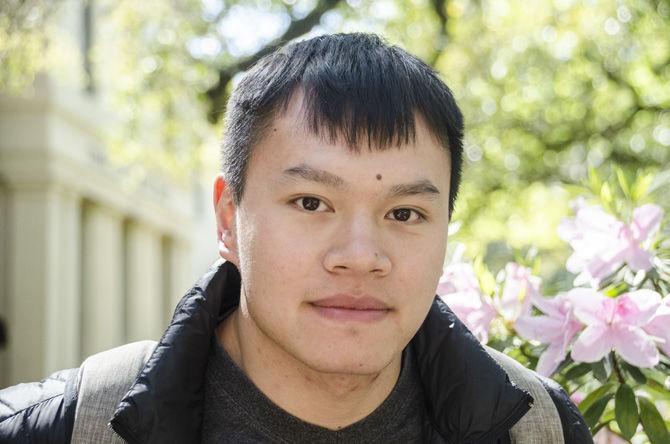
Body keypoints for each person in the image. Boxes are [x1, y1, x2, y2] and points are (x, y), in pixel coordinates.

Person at [0, 33, 592, 443]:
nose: (361, 257)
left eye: (406, 213)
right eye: (311, 203)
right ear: (229, 219)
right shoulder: (63, 428)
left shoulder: (537, 428)